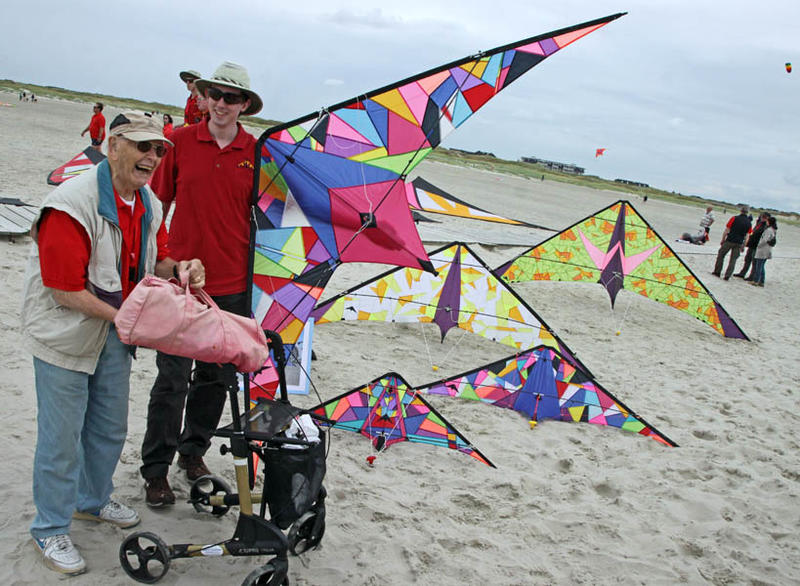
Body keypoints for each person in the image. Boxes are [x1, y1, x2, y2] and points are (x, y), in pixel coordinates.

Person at [20, 112, 205, 575]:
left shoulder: (148, 203)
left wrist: (182, 268)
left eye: (159, 149)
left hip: (114, 334)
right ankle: (49, 528)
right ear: (113, 146)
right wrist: (126, 318)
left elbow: (158, 259)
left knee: (107, 427)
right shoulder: (71, 205)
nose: (152, 157)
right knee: (61, 438)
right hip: (65, 336)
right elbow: (63, 290)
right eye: (142, 146)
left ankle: (91, 500)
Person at [140, 62, 263, 507]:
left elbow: (273, 216)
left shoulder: (258, 152)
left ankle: (193, 453)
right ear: (204, 97)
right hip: (180, 282)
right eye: (215, 94)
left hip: (233, 284)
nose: (221, 104)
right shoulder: (179, 142)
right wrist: (163, 262)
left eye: (231, 98)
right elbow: (154, 208)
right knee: (171, 380)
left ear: (244, 105)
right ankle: (156, 470)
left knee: (215, 379)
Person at [712, 205, 752, 280]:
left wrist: (723, 239)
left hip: (730, 240)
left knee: (721, 255)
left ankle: (717, 271)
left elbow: (727, 230)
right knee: (733, 260)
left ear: (741, 210)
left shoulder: (734, 218)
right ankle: (727, 275)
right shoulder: (749, 223)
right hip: (739, 242)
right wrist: (744, 245)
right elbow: (747, 236)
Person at [735, 212, 769, 279]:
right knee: (747, 259)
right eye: (762, 217)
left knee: (754, 262)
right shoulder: (759, 223)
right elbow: (753, 232)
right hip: (752, 244)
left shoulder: (765, 226)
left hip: (756, 246)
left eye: (763, 217)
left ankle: (752, 276)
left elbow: (761, 236)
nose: (762, 218)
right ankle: (742, 273)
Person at [749, 216, 777, 287]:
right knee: (761, 266)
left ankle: (756, 281)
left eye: (767, 221)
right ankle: (761, 281)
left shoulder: (769, 230)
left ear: (769, 222)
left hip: (763, 250)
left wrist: (759, 245)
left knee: (759, 266)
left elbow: (764, 240)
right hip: (767, 249)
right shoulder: (773, 230)